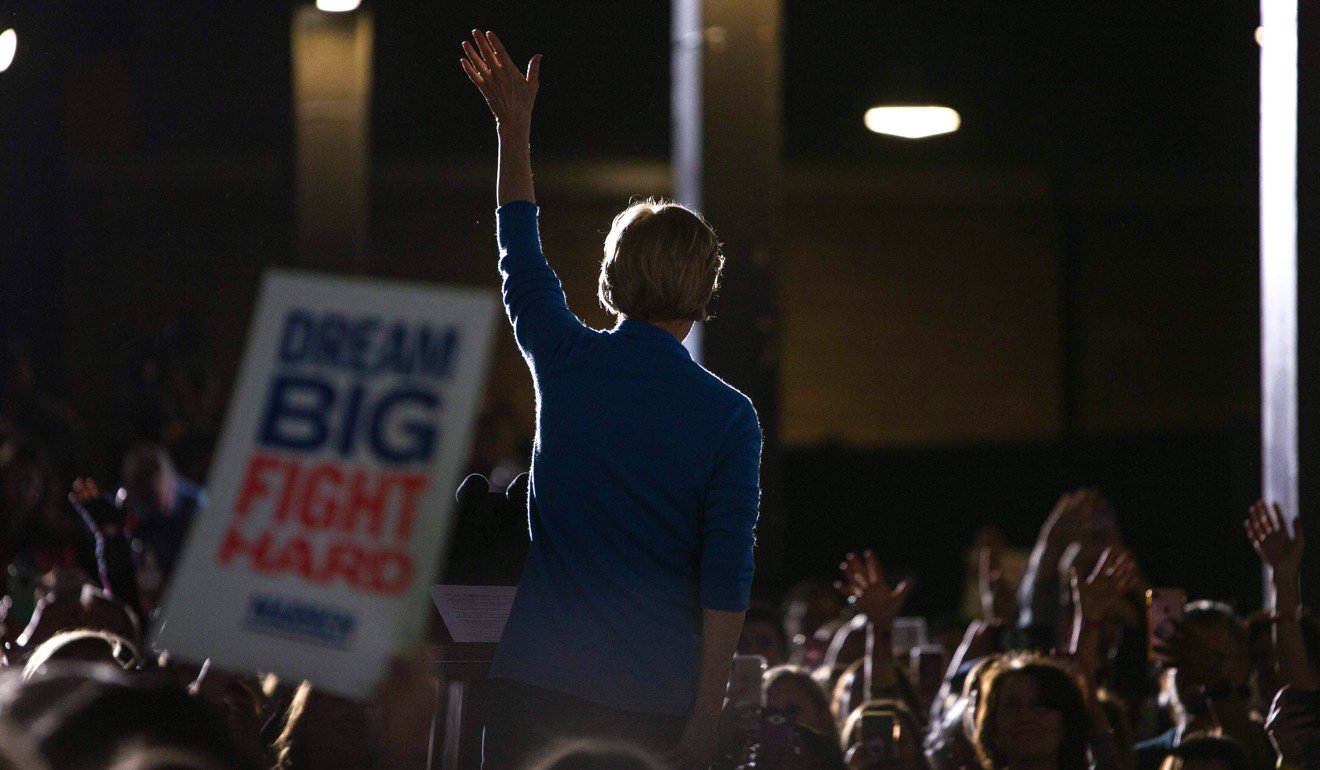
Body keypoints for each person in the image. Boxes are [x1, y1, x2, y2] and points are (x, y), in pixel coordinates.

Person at [460, 30, 762, 769]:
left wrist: (514, 130)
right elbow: (727, 579)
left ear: (611, 278)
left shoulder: (566, 361)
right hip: (655, 703)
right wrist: (703, 722)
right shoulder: (730, 417)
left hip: (536, 686)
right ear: (704, 293)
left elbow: (518, 256)